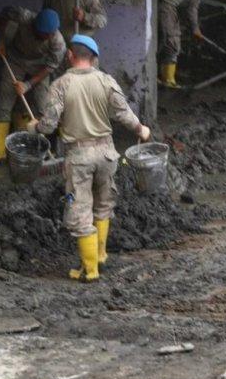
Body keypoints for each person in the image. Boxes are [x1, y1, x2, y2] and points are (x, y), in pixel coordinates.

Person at [30, 35, 151, 283]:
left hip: (79, 155)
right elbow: (124, 114)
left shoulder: (60, 85)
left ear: (70, 56)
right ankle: (101, 254)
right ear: (93, 58)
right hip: (107, 153)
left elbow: (49, 125)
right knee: (104, 204)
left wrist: (35, 126)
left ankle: (90, 269)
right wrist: (142, 130)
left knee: (81, 210)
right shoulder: (106, 80)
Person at [0, 7, 66, 163]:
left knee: (43, 105)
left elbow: (49, 67)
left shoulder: (58, 42)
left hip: (40, 66)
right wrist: (1, 39)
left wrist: (28, 84)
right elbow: (4, 13)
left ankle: (40, 149)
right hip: (15, 59)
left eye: (50, 34)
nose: (48, 37)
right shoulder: (24, 16)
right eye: (44, 34)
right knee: (4, 100)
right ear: (35, 27)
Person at [156, 0, 216, 88]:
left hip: (150, 4)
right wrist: (195, 29)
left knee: (158, 42)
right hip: (166, 8)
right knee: (173, 44)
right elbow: (192, 9)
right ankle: (168, 81)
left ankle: (157, 75)